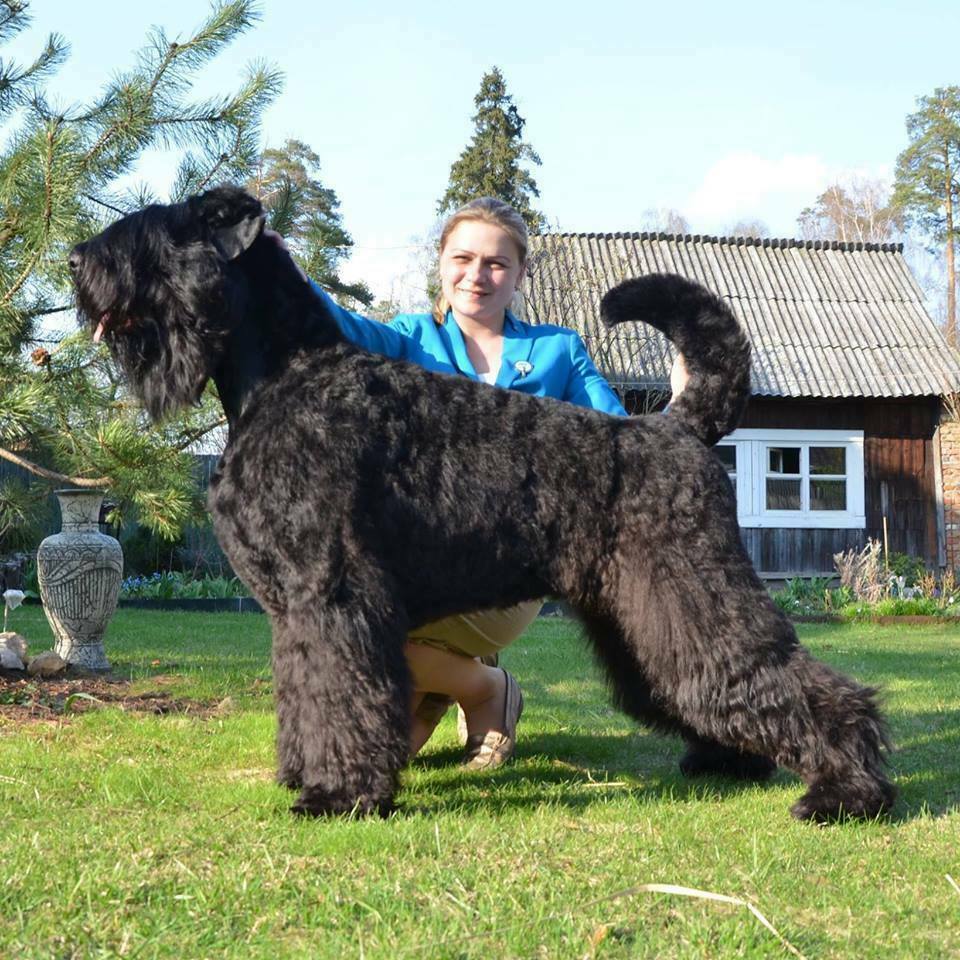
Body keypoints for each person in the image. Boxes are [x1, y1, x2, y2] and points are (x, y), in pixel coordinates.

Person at [293, 197, 685, 770]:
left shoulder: (557, 350)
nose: (476, 275)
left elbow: (621, 443)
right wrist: (282, 270)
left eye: (496, 263)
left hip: (510, 568)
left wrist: (680, 407)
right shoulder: (408, 337)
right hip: (421, 564)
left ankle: (485, 692)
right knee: (390, 741)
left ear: (520, 274)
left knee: (376, 640)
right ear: (441, 263)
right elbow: (336, 327)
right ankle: (467, 682)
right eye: (463, 258)